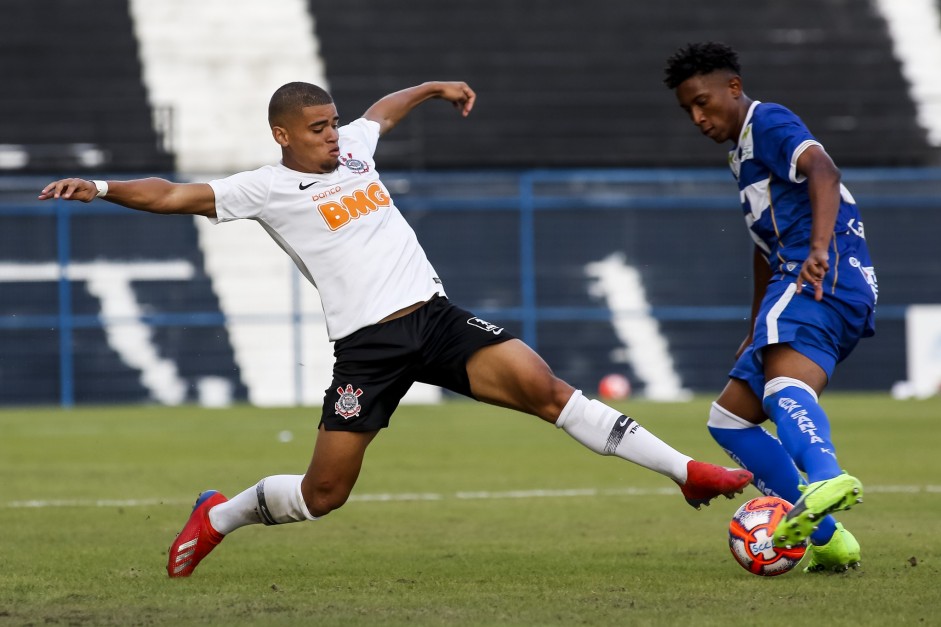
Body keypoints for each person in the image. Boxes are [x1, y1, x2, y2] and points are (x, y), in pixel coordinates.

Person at [40, 80, 751, 578]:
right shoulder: (262, 186)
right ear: (282, 135)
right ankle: (217, 516)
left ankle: (684, 472)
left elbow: (381, 112)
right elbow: (171, 194)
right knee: (323, 495)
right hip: (368, 349)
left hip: (436, 318)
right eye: (317, 129)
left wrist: (434, 86)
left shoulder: (352, 146)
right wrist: (101, 188)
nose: (333, 137)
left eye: (333, 123)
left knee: (544, 386)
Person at [663, 43, 877, 572]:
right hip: (813, 283)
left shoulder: (769, 122)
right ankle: (829, 539)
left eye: (703, 102)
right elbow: (764, 248)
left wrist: (821, 250)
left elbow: (824, 171)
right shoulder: (742, 155)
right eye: (688, 108)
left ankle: (826, 477)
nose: (698, 117)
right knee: (730, 419)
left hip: (816, 274)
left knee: (784, 390)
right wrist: (757, 322)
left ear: (733, 88)